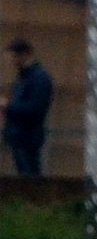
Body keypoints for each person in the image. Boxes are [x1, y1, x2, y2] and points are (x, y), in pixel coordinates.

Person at [3, 39, 52, 178]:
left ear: (23, 55)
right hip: (19, 135)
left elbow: (35, 108)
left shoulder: (38, 79)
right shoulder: (24, 78)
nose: (10, 62)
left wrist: (8, 106)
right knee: (25, 174)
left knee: (29, 175)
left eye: (12, 57)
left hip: (28, 135)